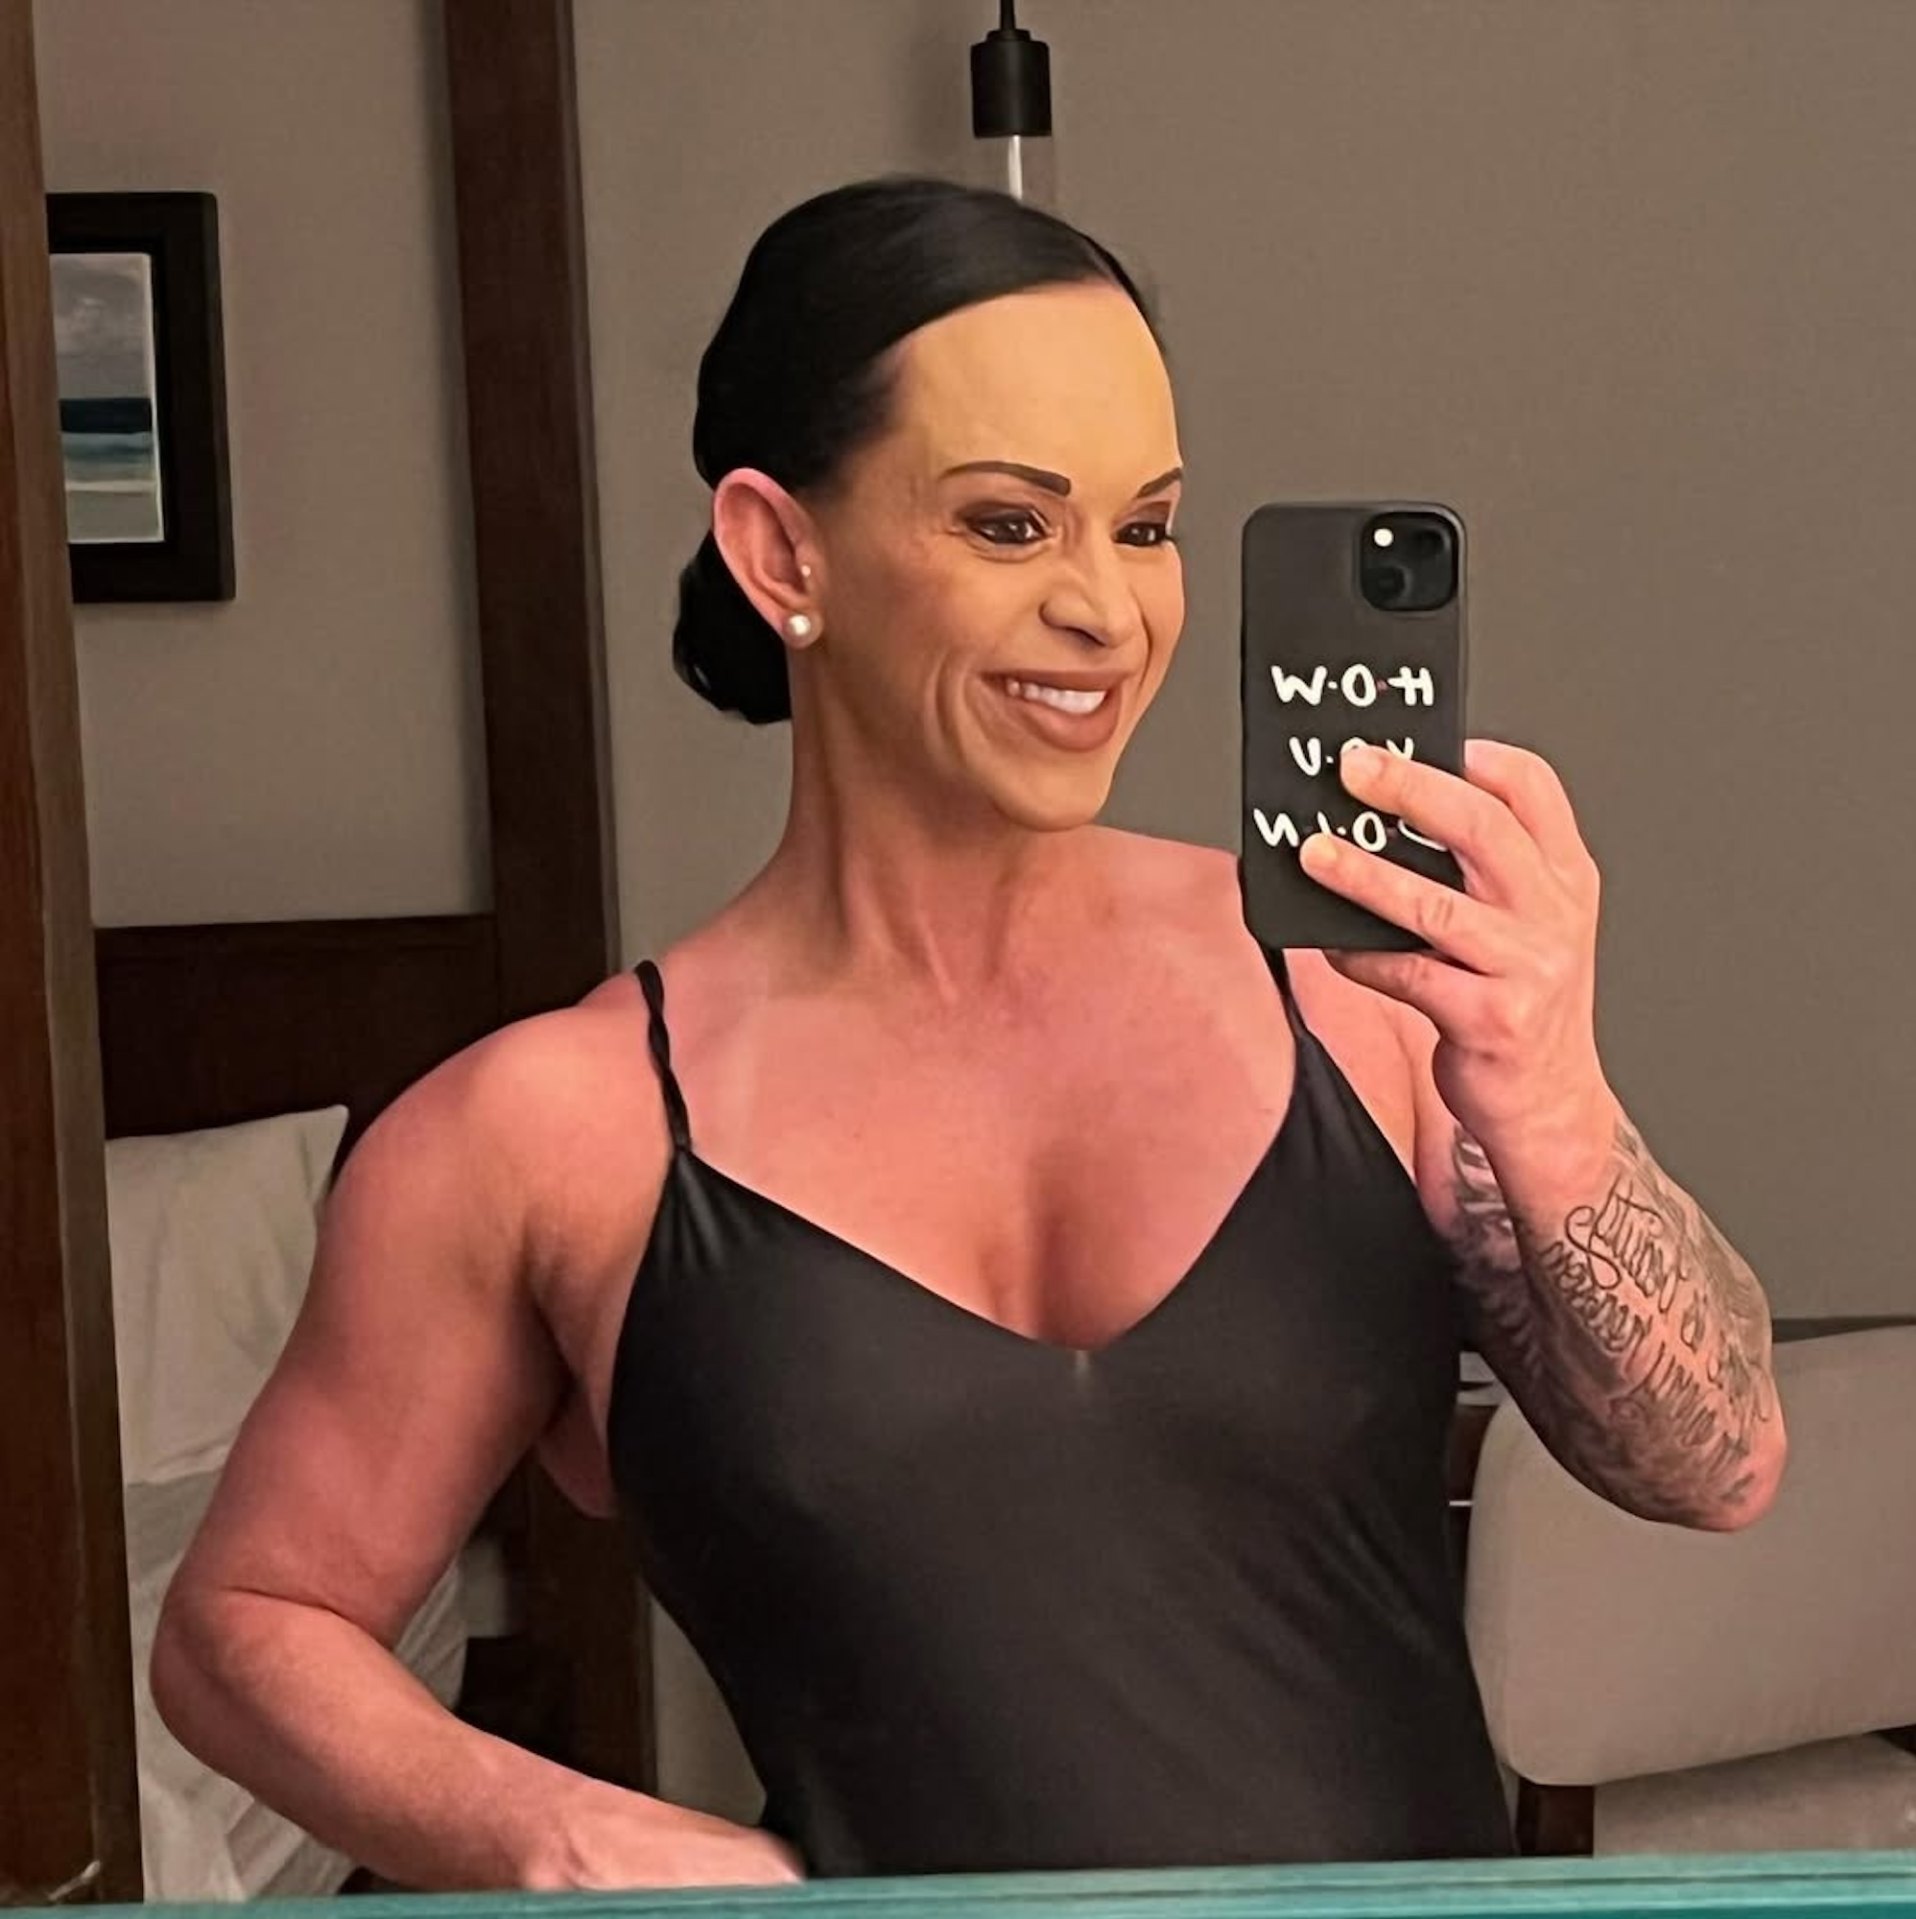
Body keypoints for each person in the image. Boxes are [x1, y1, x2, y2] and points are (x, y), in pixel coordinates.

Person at [152, 176, 1787, 1890]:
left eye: (1145, 528)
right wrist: (559, 1834)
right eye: (1011, 526)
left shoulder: (1355, 997)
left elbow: (1719, 1462)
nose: (1108, 612)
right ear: (783, 552)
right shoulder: (551, 1135)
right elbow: (242, 1625)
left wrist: (1552, 1095)